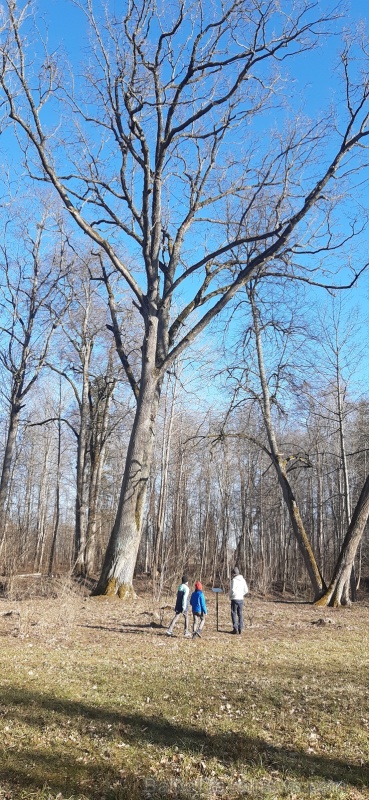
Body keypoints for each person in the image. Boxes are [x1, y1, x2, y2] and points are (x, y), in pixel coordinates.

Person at [229, 566, 248, 634]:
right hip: (241, 599)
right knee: (240, 614)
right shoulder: (243, 580)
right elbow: (246, 590)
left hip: (234, 599)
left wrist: (230, 596)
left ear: (234, 573)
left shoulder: (234, 580)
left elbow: (232, 590)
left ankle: (235, 629)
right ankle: (240, 628)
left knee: (233, 613)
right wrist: (241, 594)